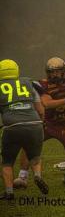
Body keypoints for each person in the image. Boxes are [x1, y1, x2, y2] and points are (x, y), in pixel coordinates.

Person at [14, 57, 65, 187]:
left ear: (63, 71)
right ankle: (22, 177)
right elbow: (47, 103)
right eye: (51, 72)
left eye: (57, 71)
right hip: (48, 123)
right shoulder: (44, 84)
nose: (54, 75)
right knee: (28, 145)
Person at [0, 59, 48, 200]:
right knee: (35, 156)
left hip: (13, 126)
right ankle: (38, 176)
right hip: (34, 123)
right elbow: (40, 108)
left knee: (7, 162)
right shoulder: (28, 83)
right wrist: (40, 121)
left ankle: (9, 192)